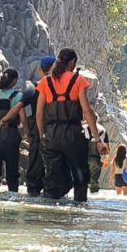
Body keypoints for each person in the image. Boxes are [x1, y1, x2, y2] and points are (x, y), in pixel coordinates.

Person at [37, 48, 109, 202]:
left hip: (51, 135)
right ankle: (78, 210)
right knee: (80, 175)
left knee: (52, 177)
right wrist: (98, 140)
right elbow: (87, 111)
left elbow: (39, 113)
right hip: (73, 135)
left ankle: (49, 212)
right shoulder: (78, 80)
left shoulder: (45, 82)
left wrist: (42, 134)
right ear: (72, 63)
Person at [0, 55, 55, 196]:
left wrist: (5, 119)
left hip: (38, 132)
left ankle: (34, 192)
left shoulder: (34, 88)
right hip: (58, 132)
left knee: (36, 166)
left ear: (40, 70)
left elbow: (19, 106)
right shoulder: (62, 86)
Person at [0, 68, 29, 192]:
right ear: (14, 81)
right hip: (11, 136)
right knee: (12, 172)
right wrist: (28, 136)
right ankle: (13, 197)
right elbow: (23, 120)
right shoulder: (18, 96)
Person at [87, 122, 110, 194]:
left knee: (81, 181)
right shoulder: (102, 130)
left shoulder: (84, 127)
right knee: (94, 182)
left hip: (84, 159)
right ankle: (93, 196)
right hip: (95, 159)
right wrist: (107, 159)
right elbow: (107, 148)